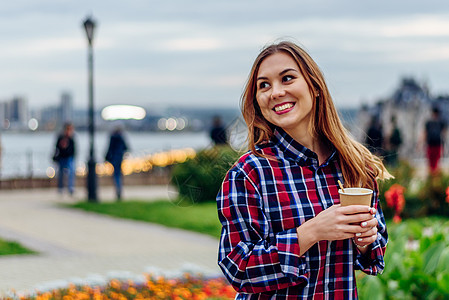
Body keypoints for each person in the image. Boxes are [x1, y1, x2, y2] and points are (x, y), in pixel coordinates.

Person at [216, 41, 392, 299]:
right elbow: (238, 269)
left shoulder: (355, 165)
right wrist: (310, 232)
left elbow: (375, 250)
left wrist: (366, 240)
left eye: (287, 78)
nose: (275, 92)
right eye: (264, 85)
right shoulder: (250, 173)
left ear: (315, 87)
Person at [105, 126, 129, 200]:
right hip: (120, 157)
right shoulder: (121, 137)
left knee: (116, 174)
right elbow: (126, 147)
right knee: (118, 173)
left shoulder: (113, 137)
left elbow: (109, 148)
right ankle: (119, 189)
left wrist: (106, 157)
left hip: (114, 157)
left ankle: (117, 189)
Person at [53, 122, 76, 196]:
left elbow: (73, 149)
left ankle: (70, 188)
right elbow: (57, 148)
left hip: (69, 157)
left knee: (71, 172)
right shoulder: (61, 137)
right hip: (62, 157)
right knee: (61, 173)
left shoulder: (71, 138)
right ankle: (61, 188)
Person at [425, 106, 447, 174]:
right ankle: (432, 175)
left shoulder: (441, 122)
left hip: (437, 144)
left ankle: (434, 175)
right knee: (431, 162)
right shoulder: (429, 123)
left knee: (436, 162)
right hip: (431, 144)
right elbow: (425, 133)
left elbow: (444, 133)